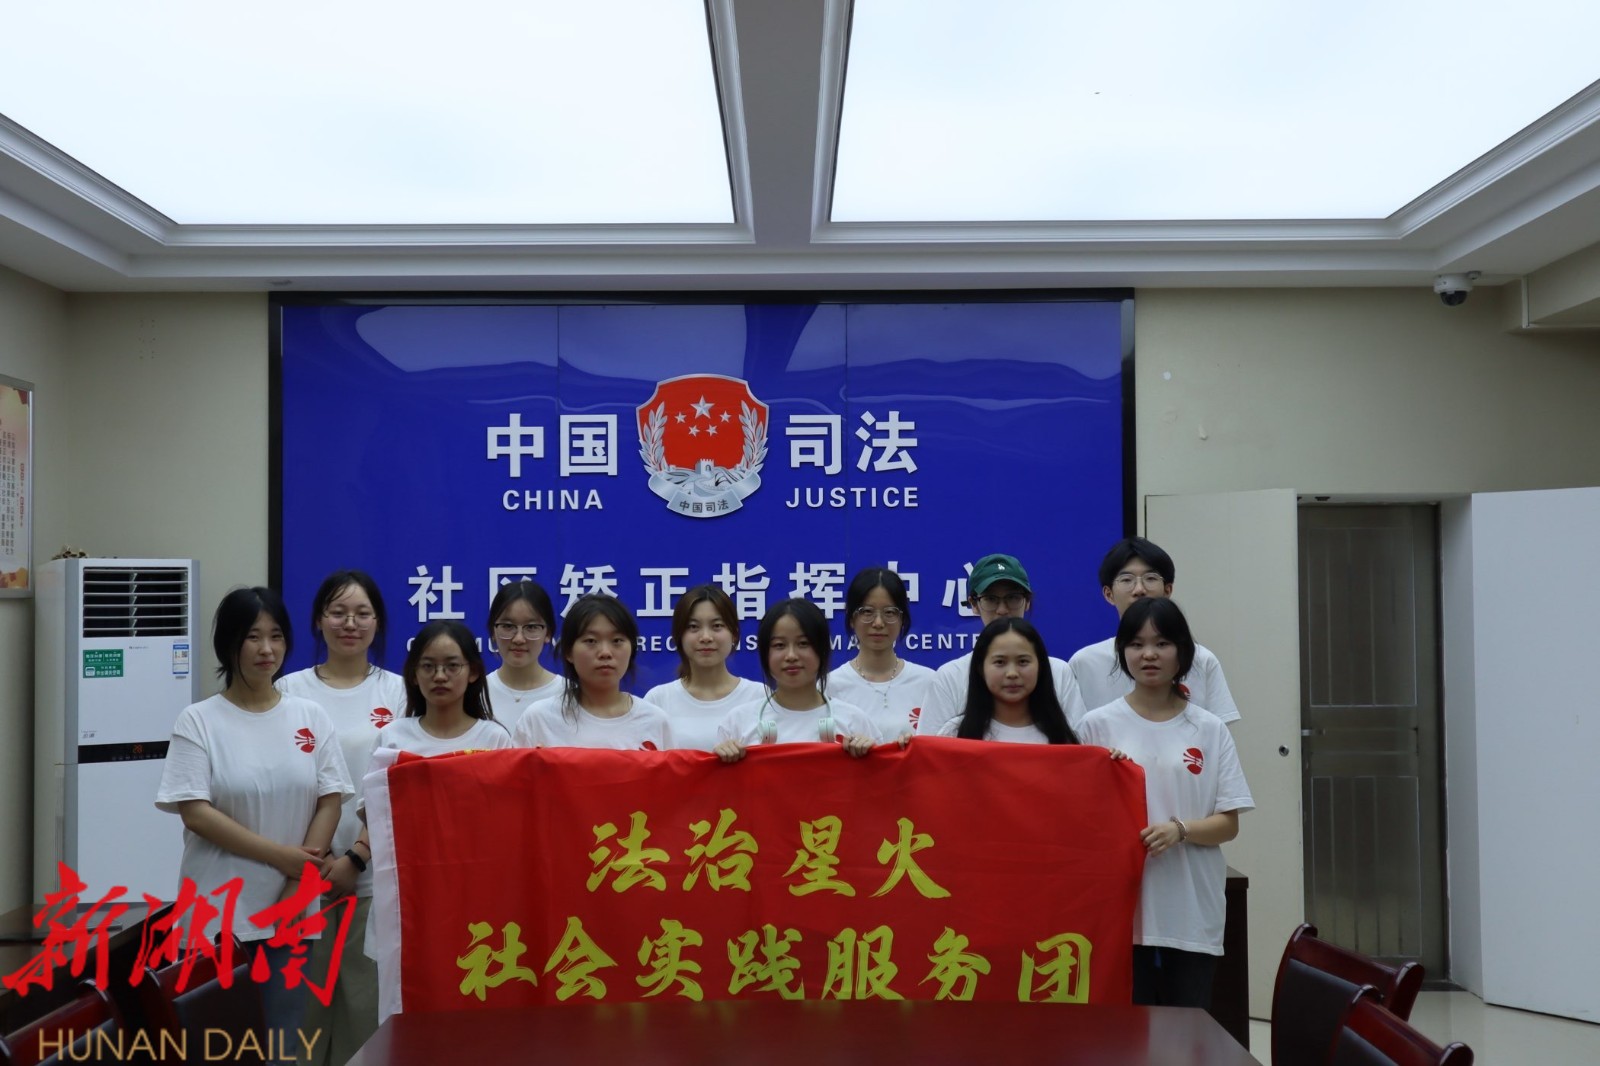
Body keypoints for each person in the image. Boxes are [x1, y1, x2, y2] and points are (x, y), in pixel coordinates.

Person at [155, 586, 352, 1044]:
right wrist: (282, 857)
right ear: (229, 644)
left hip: (290, 914)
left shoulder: (310, 716)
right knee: (219, 1046)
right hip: (216, 919)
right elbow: (196, 813)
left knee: (283, 1045)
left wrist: (297, 883)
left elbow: (330, 798)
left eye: (276, 636)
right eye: (253, 637)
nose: (267, 649)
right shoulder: (199, 720)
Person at [1077, 597, 1253, 1009]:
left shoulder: (1208, 728)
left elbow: (1228, 823)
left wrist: (1180, 830)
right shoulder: (1095, 726)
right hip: (1120, 909)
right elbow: (1078, 822)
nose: (1149, 654)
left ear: (1183, 652)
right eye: (1136, 644)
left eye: (1162, 643)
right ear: (1122, 652)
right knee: (1122, 1032)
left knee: (1186, 1029)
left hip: (1189, 909)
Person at [273, 570, 403, 1065]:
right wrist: (317, 857)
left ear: (378, 622)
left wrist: (357, 856)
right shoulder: (288, 690)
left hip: (373, 882)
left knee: (365, 1024)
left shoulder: (398, 692)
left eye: (362, 613)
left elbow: (398, 788)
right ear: (318, 621)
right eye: (338, 612)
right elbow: (283, 780)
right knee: (299, 1026)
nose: (350, 623)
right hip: (299, 879)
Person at [1068, 537, 1240, 724]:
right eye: (1126, 580)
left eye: (1150, 578)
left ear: (1167, 590)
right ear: (1109, 594)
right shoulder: (1084, 663)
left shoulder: (1201, 660)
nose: (1139, 590)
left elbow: (1216, 733)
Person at [918, 553, 1088, 736]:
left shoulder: (1059, 672)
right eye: (991, 599)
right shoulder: (950, 677)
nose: (1002, 610)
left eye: (1012, 598)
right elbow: (930, 749)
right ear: (973, 604)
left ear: (1027, 602)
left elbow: (1079, 743)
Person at [714, 598, 881, 761]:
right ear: (765, 654)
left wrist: (870, 757)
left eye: (803, 643)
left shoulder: (854, 722)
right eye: (779, 645)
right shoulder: (738, 723)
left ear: (822, 649)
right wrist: (722, 761)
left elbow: (884, 776)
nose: (791, 656)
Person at [510, 594, 671, 749]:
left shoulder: (654, 722)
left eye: (617, 641)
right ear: (568, 652)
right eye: (591, 641)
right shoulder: (539, 720)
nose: (605, 652)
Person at [642, 584, 764, 751]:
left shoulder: (760, 697)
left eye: (717, 626)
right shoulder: (658, 700)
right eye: (693, 627)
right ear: (679, 636)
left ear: (734, 634)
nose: (706, 637)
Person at [827, 567, 934, 741]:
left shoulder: (929, 682)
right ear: (851, 618)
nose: (878, 623)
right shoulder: (829, 687)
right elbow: (822, 748)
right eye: (867, 612)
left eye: (889, 612)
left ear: (902, 619)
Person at [377, 619, 514, 756]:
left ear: (473, 672)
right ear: (414, 674)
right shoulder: (392, 737)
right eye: (428, 666)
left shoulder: (494, 739)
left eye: (452, 666)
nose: (440, 677)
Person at [937, 618, 1079, 744]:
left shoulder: (1062, 738)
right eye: (1000, 662)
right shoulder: (954, 734)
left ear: (1040, 666)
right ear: (981, 668)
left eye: (1023, 661)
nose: (1012, 673)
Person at [484, 579, 563, 719]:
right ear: (493, 632)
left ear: (548, 634)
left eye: (531, 627)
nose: (519, 639)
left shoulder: (568, 695)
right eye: (508, 626)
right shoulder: (475, 694)